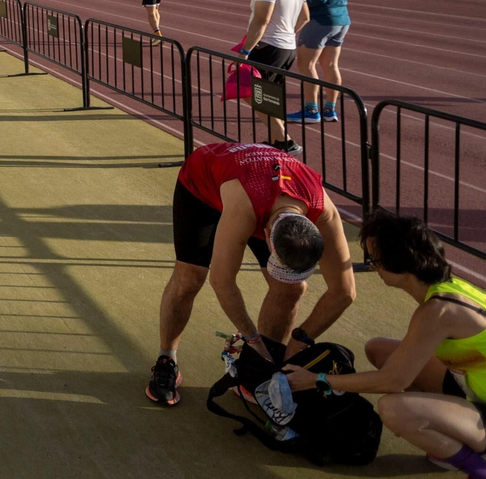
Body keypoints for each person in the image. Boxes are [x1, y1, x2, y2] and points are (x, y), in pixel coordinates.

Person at [284, 214, 486, 479]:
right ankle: (454, 435)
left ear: (401, 264)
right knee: (379, 349)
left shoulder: (437, 311)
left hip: (481, 402)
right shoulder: (448, 290)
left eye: (375, 260)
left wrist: (318, 380)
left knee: (394, 408)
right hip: (475, 387)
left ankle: (482, 475)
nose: (372, 266)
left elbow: (394, 380)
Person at [146, 141, 354, 406]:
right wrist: (252, 339)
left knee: (292, 288)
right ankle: (166, 359)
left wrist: (300, 340)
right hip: (204, 183)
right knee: (190, 277)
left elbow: (345, 292)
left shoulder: (323, 210)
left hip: (266, 190)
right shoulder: (243, 210)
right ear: (266, 235)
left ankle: (259, 372)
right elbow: (222, 282)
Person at [240, 0, 307, 156]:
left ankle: (285, 141)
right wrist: (287, 33)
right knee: (268, 95)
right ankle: (279, 142)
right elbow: (305, 16)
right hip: (286, 47)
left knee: (250, 92)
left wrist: (245, 51)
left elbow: (261, 21)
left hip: (269, 46)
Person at [287, 0, 353, 125]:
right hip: (342, 20)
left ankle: (311, 110)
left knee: (306, 64)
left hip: (321, 20)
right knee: (331, 65)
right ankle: (329, 109)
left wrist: (299, 0)